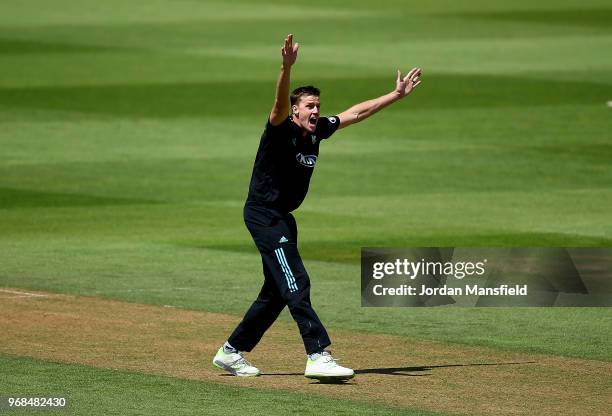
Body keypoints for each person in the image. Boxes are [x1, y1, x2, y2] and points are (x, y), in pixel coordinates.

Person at [213, 34, 422, 380]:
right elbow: (279, 104)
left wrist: (395, 95)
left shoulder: (317, 131)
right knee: (297, 281)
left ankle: (231, 352)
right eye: (309, 107)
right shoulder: (280, 130)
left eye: (317, 106)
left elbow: (355, 113)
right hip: (264, 215)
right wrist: (285, 68)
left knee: (276, 292)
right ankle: (317, 354)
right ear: (295, 111)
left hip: (283, 218)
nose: (315, 112)